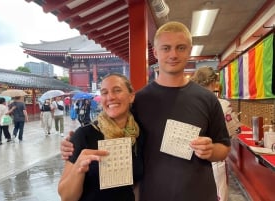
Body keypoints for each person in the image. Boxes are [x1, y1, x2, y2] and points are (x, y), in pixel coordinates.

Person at [61, 21, 231, 201]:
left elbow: (224, 147)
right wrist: (73, 143)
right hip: (151, 195)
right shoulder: (138, 101)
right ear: (156, 52)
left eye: (180, 48)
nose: (173, 54)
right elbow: (109, 125)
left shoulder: (208, 99)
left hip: (198, 195)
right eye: (166, 48)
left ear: (189, 51)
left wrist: (211, 150)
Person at [57, 73, 143, 201]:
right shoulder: (84, 134)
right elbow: (66, 197)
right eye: (104, 93)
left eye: (117, 90)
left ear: (131, 96)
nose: (111, 97)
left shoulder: (138, 135)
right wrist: (78, 168)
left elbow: (137, 184)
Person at [191, 66, 242, 201]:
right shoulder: (222, 104)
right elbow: (233, 131)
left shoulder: (188, 103)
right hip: (216, 156)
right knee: (218, 193)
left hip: (191, 158)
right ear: (214, 83)